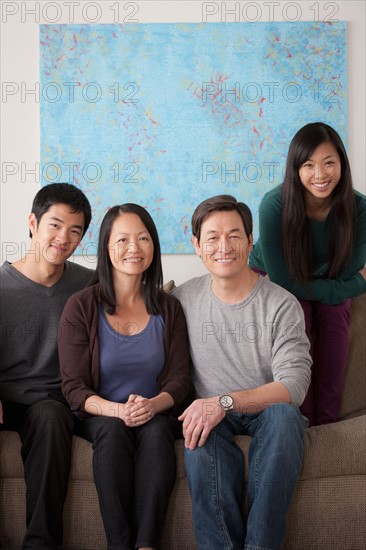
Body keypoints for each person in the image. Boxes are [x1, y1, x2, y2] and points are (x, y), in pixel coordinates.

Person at [173, 195, 311, 550]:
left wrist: (224, 401)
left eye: (234, 235)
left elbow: (293, 386)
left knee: (285, 417)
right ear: (197, 246)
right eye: (213, 237)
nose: (224, 246)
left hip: (266, 410)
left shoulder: (281, 304)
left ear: (250, 241)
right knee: (197, 434)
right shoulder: (181, 301)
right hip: (212, 416)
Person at [58, 203, 192, 550]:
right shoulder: (81, 306)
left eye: (143, 238)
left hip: (155, 411)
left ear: (154, 246)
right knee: (114, 433)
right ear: (106, 247)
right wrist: (118, 411)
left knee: (159, 430)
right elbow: (73, 387)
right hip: (100, 414)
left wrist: (152, 405)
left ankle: (147, 545)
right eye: (122, 240)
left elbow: (179, 380)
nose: (134, 248)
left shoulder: (169, 307)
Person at [249, 122, 366, 426]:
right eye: (309, 165)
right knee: (296, 315)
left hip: (327, 276)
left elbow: (352, 267)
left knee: (334, 314)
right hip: (275, 274)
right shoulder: (274, 205)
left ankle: (324, 424)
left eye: (329, 163)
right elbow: (283, 279)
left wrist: (341, 284)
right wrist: (350, 283)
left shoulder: (359, 207)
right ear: (295, 168)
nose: (320, 174)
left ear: (342, 163)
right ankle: (300, 420)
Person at [0, 183, 93, 549]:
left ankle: (40, 543)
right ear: (33, 223)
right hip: (9, 398)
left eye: (75, 231)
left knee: (51, 415)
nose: (63, 238)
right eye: (55, 225)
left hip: (57, 402)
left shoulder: (88, 284)